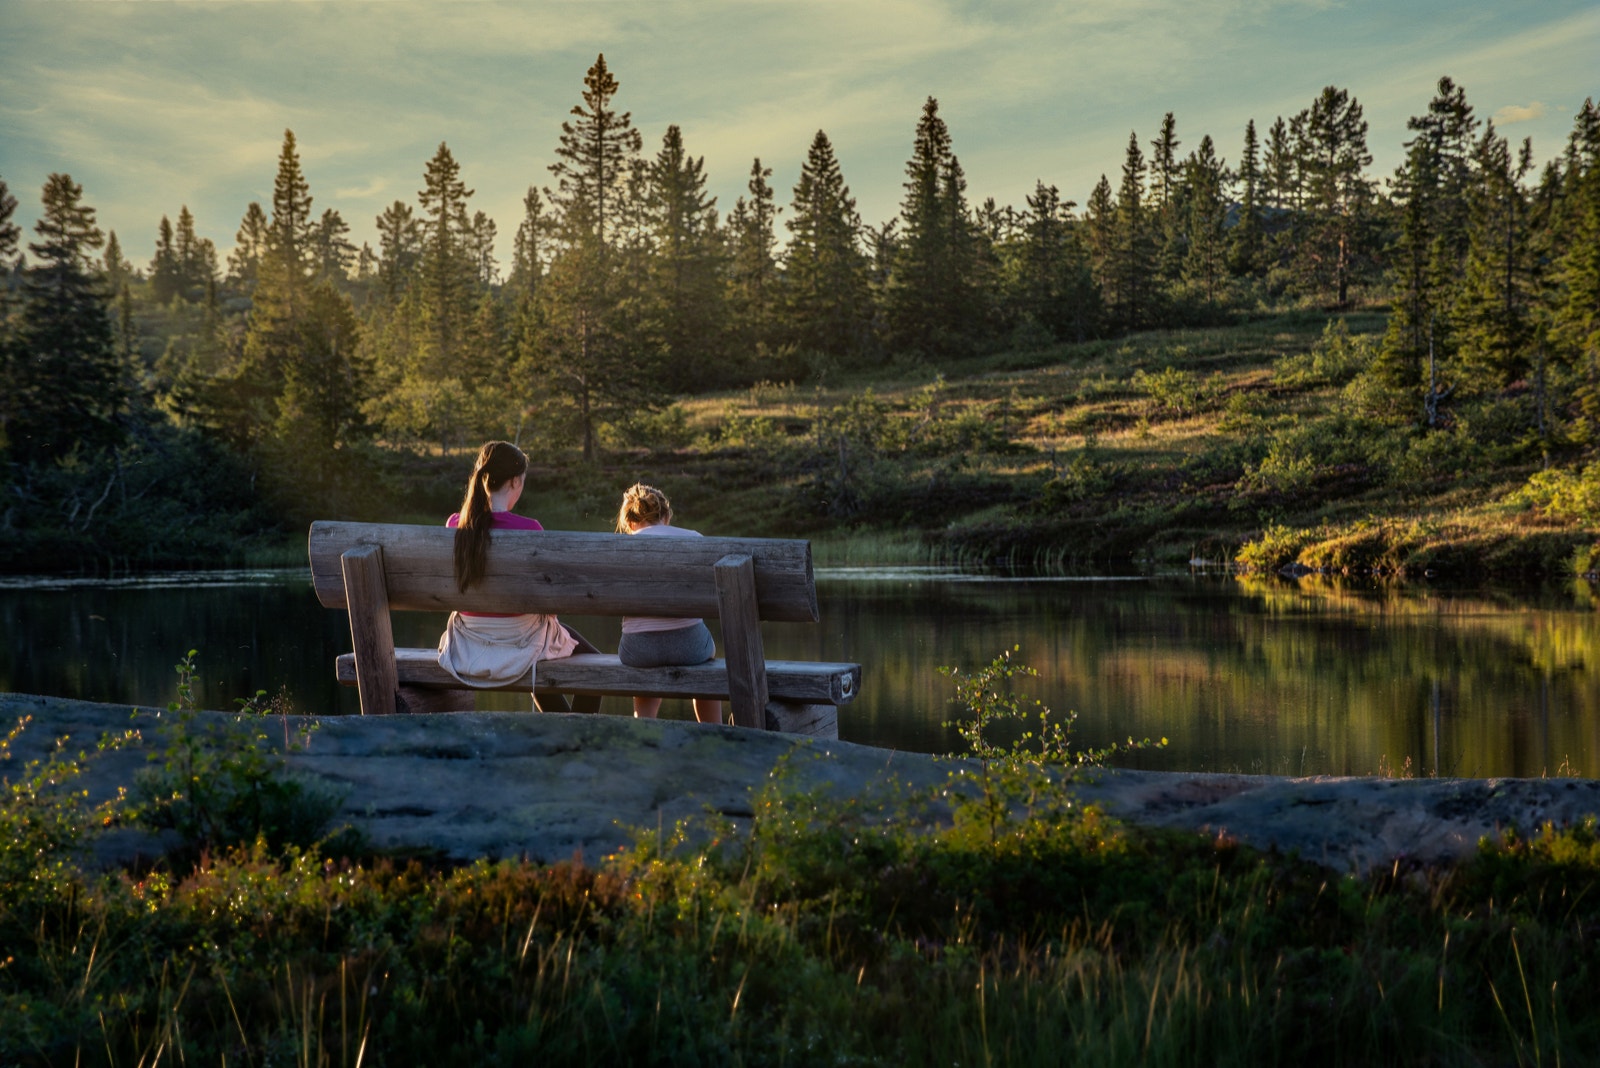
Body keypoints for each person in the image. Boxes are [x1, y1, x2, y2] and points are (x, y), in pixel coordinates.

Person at [436, 441, 600, 713]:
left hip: (469, 638)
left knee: (538, 645)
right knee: (594, 663)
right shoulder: (530, 529)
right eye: (522, 481)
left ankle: (566, 732)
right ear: (514, 482)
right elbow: (548, 596)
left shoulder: (455, 525)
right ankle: (576, 738)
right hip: (522, 638)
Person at [615, 483, 724, 724]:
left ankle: (644, 726)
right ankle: (713, 729)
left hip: (638, 650)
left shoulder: (621, 546)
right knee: (709, 656)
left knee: (647, 650)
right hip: (690, 646)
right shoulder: (694, 539)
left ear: (630, 522)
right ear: (666, 516)